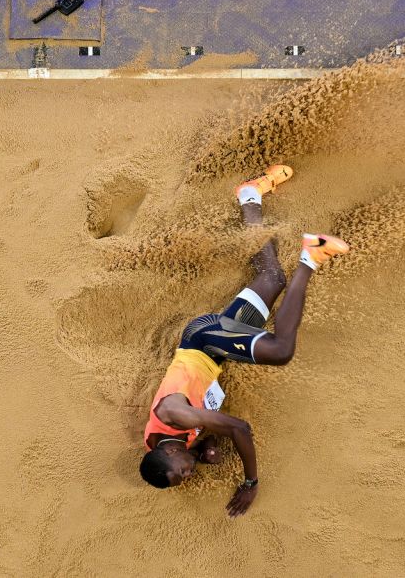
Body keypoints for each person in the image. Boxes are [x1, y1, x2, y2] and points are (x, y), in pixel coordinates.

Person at [138, 164, 350, 517]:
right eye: (185, 480)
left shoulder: (173, 416)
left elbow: (238, 427)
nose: (189, 476)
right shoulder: (164, 442)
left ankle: (311, 255)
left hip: (204, 341)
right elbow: (210, 424)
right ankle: (250, 195)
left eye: (183, 472)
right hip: (210, 348)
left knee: (282, 351)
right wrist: (207, 447)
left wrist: (250, 482)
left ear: (171, 453)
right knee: (271, 278)